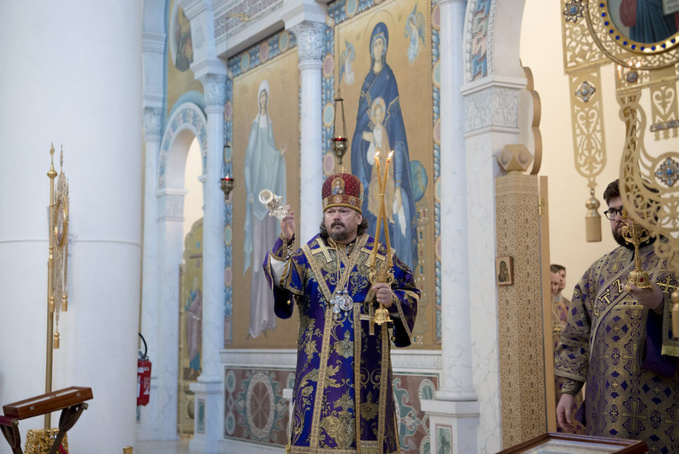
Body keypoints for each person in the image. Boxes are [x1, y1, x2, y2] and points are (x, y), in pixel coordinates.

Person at [262, 172, 419, 452]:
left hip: (368, 371)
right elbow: (279, 281)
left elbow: (411, 292)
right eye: (331, 211)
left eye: (344, 211)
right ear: (324, 217)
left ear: (358, 217)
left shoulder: (380, 255)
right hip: (317, 375)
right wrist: (284, 242)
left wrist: (393, 299)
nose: (336, 217)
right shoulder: (307, 256)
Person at [554, 179, 679, 451]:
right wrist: (569, 390)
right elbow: (576, 335)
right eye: (614, 212)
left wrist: (660, 304)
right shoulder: (597, 272)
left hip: (664, 406)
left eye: (629, 209)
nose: (621, 218)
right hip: (606, 407)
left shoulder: (676, 260)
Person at [351, 22, 418, 271]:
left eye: (382, 43)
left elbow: (397, 133)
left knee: (401, 213)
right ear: (371, 49)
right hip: (371, 176)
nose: (378, 47)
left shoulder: (389, 79)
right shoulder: (366, 85)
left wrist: (398, 186)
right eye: (375, 43)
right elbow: (359, 132)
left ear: (386, 47)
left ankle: (399, 277)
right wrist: (365, 138)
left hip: (390, 178)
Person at [244, 79, 286, 338]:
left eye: (264, 98)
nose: (262, 101)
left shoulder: (268, 125)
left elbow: (269, 154)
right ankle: (256, 320)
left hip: (268, 203)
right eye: (259, 97)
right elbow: (251, 158)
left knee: (271, 260)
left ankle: (267, 318)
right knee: (259, 257)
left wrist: (278, 155)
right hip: (257, 202)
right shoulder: (254, 127)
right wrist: (249, 190)